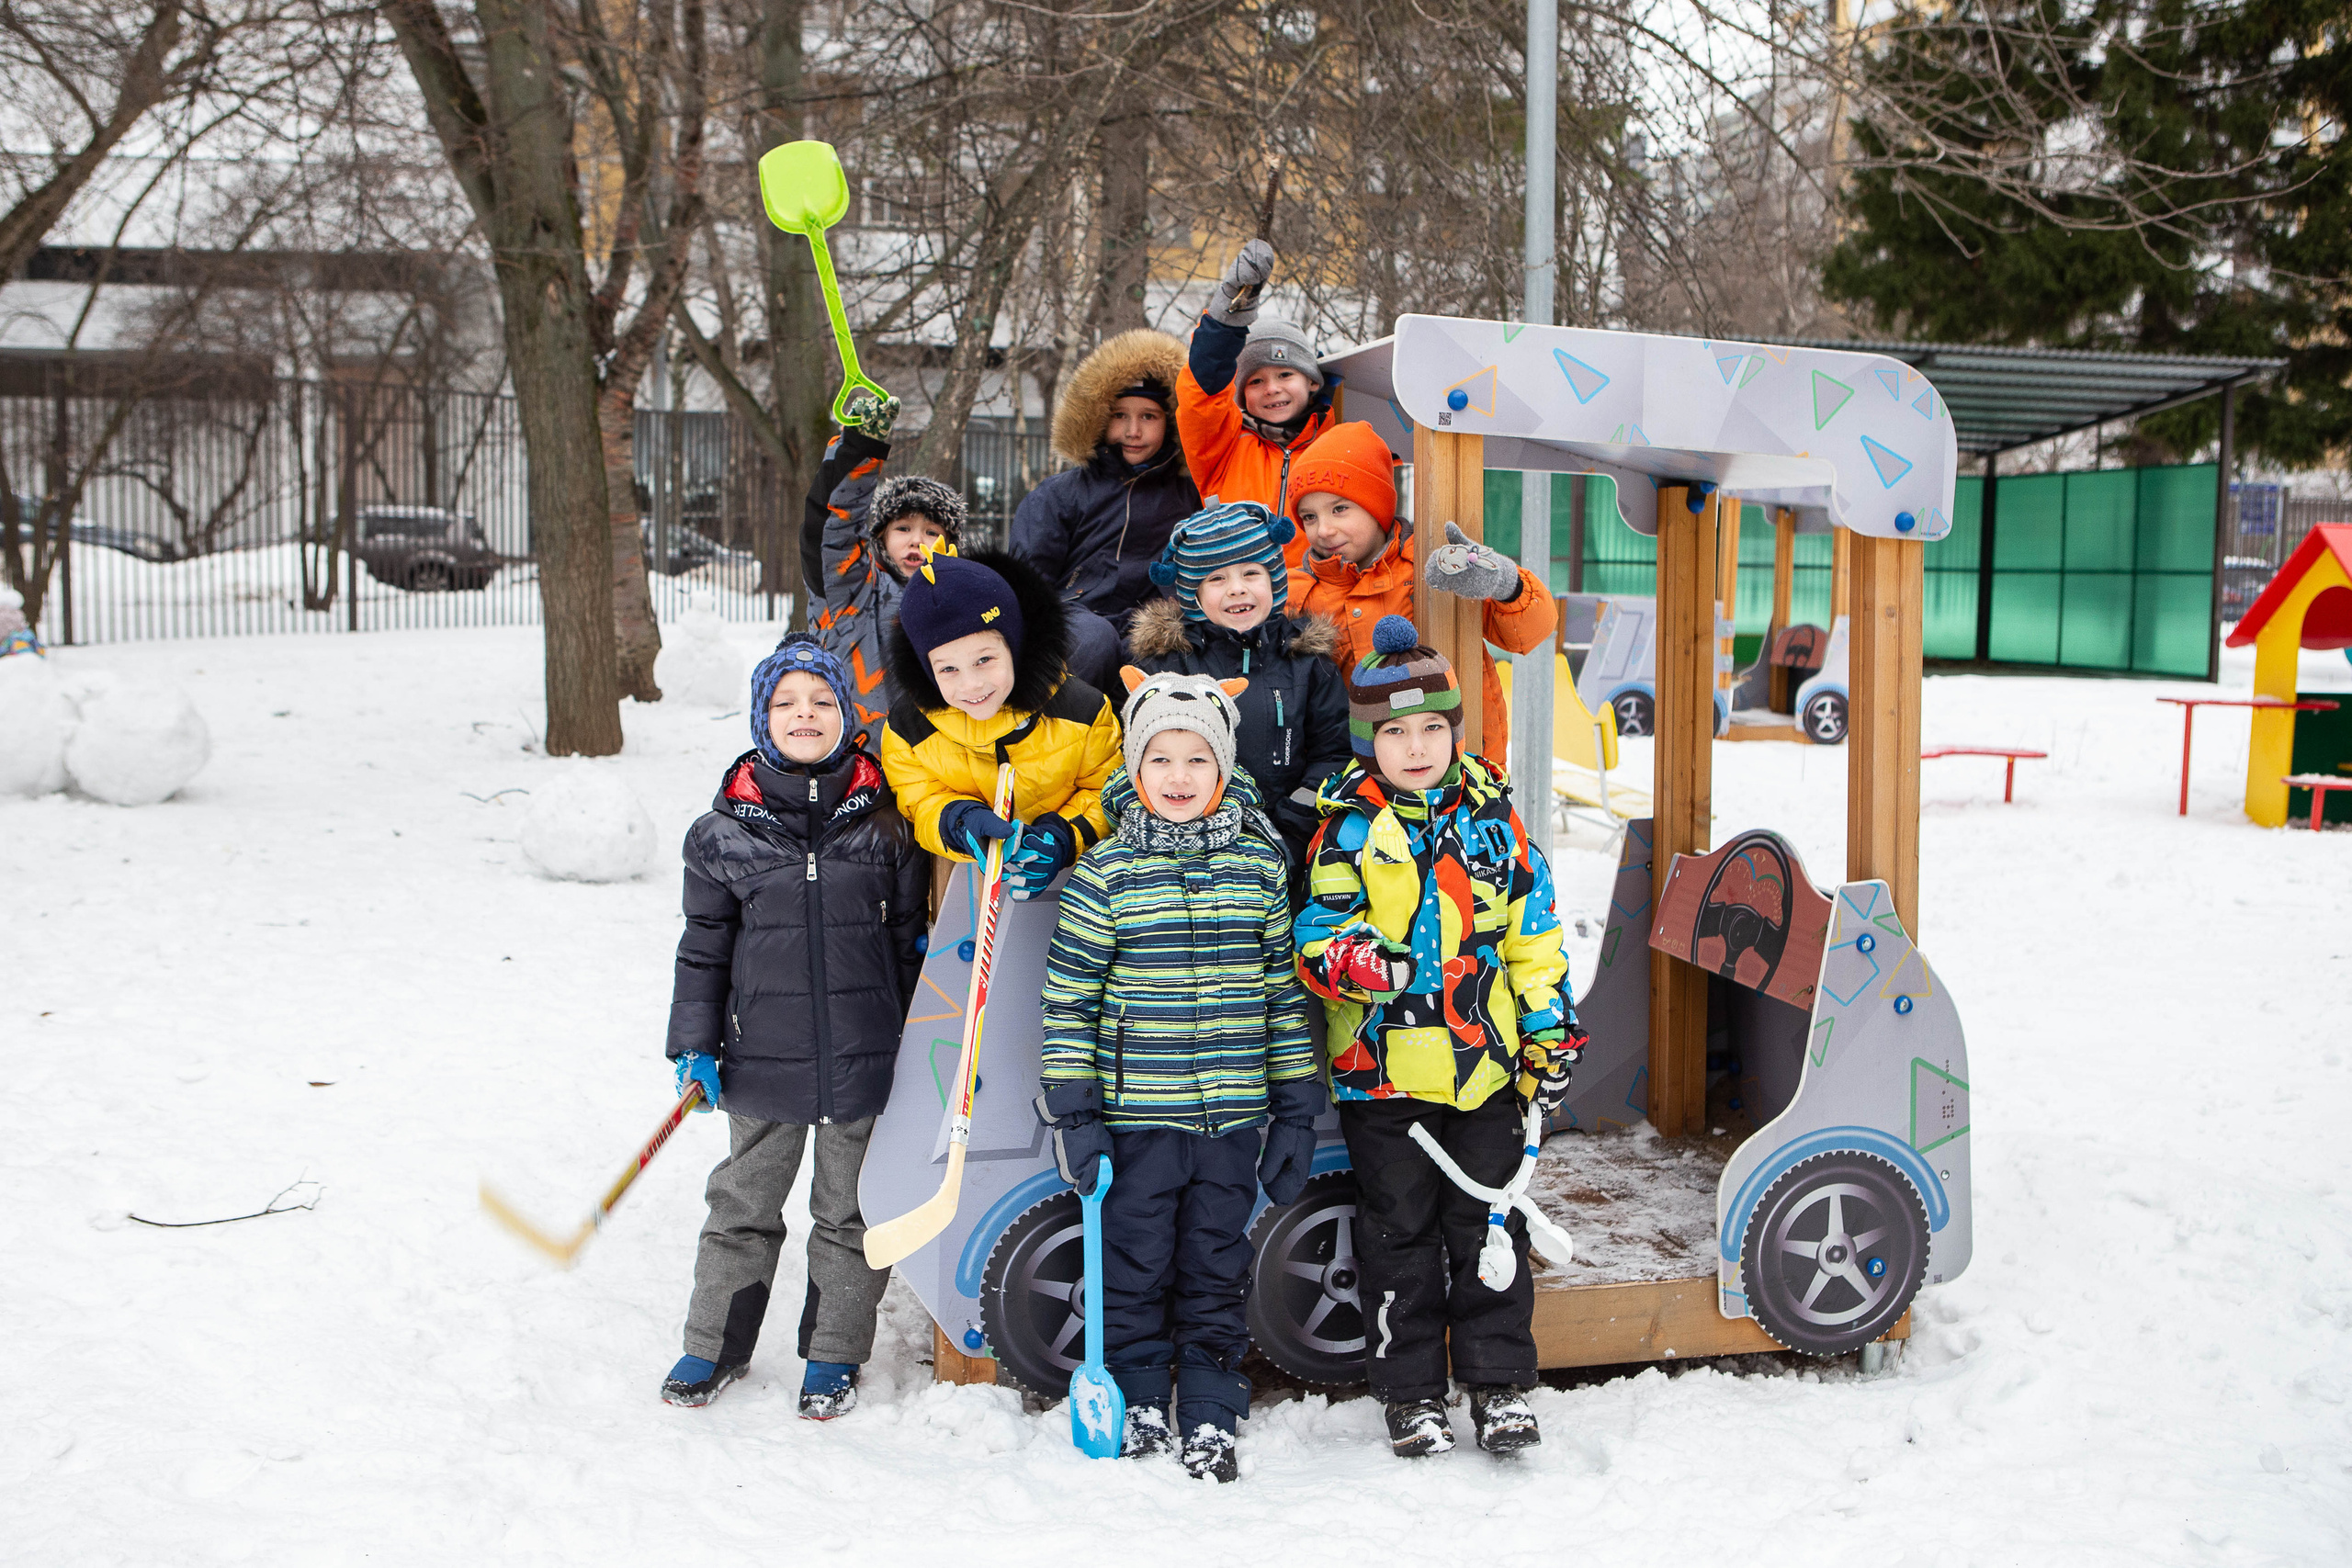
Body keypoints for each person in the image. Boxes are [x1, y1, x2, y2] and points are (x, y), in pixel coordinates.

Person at [1293, 617, 1586, 1460]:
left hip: (1485, 1070)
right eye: (1394, 732)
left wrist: (1546, 1029)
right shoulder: (1346, 827)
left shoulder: (1497, 819)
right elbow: (1316, 935)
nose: (1415, 747)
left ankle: (1499, 1387)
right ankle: (1412, 1393)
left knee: (1490, 1227)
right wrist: (1361, 964)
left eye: (1431, 728)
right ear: (1368, 740)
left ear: (1455, 731)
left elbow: (1533, 933)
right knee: (1400, 1238)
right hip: (1384, 1079)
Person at [1035, 668, 1324, 1483]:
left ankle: (1208, 1405)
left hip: (1233, 1122)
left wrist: (1297, 1112)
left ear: (1224, 771)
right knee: (1132, 1268)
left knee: (1214, 1267)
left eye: (1198, 759)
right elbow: (1067, 1006)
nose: (1178, 776)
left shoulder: (1259, 870)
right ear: (1134, 770)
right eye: (1160, 758)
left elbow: (1277, 995)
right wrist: (1078, 1116)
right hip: (1138, 1124)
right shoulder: (1105, 877)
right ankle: (1138, 1397)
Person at [662, 634, 930, 1418]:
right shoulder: (722, 834)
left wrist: (923, 1047)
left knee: (848, 1209)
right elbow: (703, 951)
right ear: (759, 718)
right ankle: (712, 1343)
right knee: (742, 1202)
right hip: (760, 1058)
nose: (804, 714)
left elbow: (909, 941)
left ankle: (834, 1353)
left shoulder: (888, 824)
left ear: (848, 714)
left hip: (864, 1055)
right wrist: (695, 1045)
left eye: (821, 701)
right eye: (786, 703)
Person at [1286, 421, 1556, 763]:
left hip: (1460, 768)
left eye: (1340, 509)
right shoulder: (1296, 593)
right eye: (1309, 516)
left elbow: (1529, 634)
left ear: (1377, 508)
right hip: (1357, 781)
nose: (1324, 529)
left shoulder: (1434, 567)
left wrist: (1506, 585)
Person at [880, 543, 1124, 901]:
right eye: (948, 668)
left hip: (1072, 894)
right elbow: (921, 798)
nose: (971, 684)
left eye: (984, 659)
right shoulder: (909, 729)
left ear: (1015, 644)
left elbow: (1107, 792)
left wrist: (1063, 835)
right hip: (964, 894)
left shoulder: (1082, 711)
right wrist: (957, 820)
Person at [1125, 499, 1350, 874]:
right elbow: (1138, 755)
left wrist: (1296, 818)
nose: (1236, 590)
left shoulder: (1307, 662)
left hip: (1287, 839)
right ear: (1193, 594)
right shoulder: (1167, 665)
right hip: (1186, 846)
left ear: (1275, 580)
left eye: (1251, 574)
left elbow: (1335, 751)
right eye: (1216, 579)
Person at [799, 397, 967, 751]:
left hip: (939, 771)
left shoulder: (966, 601)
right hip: (854, 761)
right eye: (903, 528)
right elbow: (832, 533)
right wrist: (859, 450)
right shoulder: (853, 590)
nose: (918, 541)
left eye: (932, 532)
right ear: (879, 537)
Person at [1012, 329, 1201, 637]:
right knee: (1093, 640)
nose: (1133, 431)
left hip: (1158, 626)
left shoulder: (1189, 496)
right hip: (1076, 620)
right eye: (1119, 416)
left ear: (1171, 423)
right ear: (1097, 419)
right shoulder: (1060, 495)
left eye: (1149, 417)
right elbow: (1028, 580)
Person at [1174, 240, 1335, 527]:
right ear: (1240, 391)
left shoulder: (1337, 445)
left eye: (1285, 375)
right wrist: (1228, 314)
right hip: (1239, 572)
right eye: (1256, 381)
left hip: (1314, 573)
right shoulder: (1221, 446)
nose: (1271, 389)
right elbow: (1203, 391)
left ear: (1312, 381)